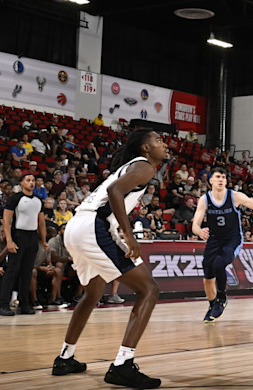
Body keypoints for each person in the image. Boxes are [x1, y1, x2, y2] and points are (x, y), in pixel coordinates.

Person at [51, 128, 168, 388]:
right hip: (94, 226)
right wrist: (130, 236)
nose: (165, 144)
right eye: (158, 140)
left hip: (76, 226)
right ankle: (122, 365)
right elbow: (116, 191)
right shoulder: (144, 166)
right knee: (149, 289)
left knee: (92, 294)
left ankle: (65, 357)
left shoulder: (131, 166)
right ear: (145, 148)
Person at [192, 166, 253, 323]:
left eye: (224, 177)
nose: (221, 180)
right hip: (214, 240)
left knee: (219, 264)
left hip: (232, 239)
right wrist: (199, 232)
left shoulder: (234, 196)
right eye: (218, 177)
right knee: (207, 278)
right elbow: (195, 224)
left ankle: (221, 298)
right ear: (211, 180)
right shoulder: (204, 199)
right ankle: (213, 305)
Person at [0, 172, 48, 316]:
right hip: (18, 235)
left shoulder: (38, 200)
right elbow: (6, 220)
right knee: (12, 271)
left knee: (27, 272)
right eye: (28, 180)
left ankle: (24, 304)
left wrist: (44, 240)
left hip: (32, 237)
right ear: (21, 183)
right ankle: (3, 304)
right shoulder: (15, 198)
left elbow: (41, 222)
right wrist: (9, 240)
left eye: (33, 180)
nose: (31, 182)